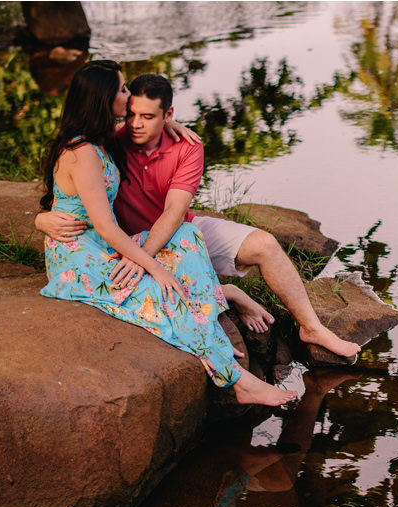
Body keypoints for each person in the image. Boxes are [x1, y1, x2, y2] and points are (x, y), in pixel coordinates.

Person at [36, 73, 361, 359]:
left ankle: (311, 328)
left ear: (168, 114)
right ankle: (227, 293)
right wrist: (43, 219)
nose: (135, 124)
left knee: (265, 245)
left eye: (149, 116)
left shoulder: (187, 146)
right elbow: (71, 180)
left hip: (179, 232)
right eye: (131, 114)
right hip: (129, 240)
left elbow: (174, 213)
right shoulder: (111, 142)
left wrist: (141, 259)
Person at [38, 59, 297, 406]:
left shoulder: (100, 140)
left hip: (102, 245)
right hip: (79, 257)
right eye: (122, 90)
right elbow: (104, 225)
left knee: (187, 235)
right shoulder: (83, 151)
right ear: (105, 99)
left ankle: (216, 312)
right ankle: (235, 376)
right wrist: (153, 267)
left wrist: (168, 124)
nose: (128, 96)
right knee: (161, 291)